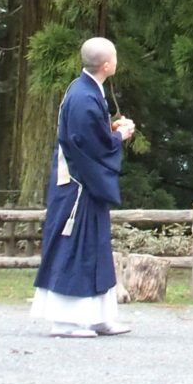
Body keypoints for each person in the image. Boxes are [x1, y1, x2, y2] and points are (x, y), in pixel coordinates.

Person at [32, 37, 136, 338]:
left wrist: (111, 130)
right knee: (74, 246)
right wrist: (119, 137)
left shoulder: (88, 91)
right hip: (77, 184)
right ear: (106, 64)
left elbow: (89, 136)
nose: (116, 61)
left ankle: (99, 316)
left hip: (86, 182)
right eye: (114, 57)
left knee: (96, 246)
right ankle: (65, 321)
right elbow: (85, 146)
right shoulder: (82, 96)